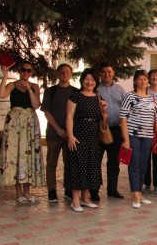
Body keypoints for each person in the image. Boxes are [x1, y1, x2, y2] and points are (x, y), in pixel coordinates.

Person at [0, 61, 45, 204]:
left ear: (32, 72)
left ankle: (27, 193)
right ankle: (18, 193)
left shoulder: (35, 86)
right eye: (23, 70)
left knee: (29, 155)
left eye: (29, 70)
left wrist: (29, 89)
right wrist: (5, 75)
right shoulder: (12, 85)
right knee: (15, 155)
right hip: (15, 124)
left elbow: (36, 105)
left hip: (30, 123)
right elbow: (1, 94)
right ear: (19, 71)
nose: (25, 73)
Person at [120, 70, 157, 209]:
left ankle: (139, 192)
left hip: (148, 136)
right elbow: (123, 118)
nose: (143, 81)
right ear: (135, 81)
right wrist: (126, 140)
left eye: (145, 79)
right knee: (134, 164)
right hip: (133, 135)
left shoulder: (153, 98)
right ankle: (136, 195)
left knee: (144, 165)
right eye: (140, 79)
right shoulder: (130, 96)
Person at [64, 68, 105, 212]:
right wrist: (70, 136)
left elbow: (103, 119)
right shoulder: (75, 96)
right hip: (78, 136)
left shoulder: (98, 98)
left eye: (92, 80)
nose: (90, 82)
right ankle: (75, 201)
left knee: (90, 167)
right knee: (77, 167)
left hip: (93, 138)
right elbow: (69, 117)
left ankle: (85, 198)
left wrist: (104, 110)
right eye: (87, 79)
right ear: (82, 80)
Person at [41, 63, 78, 203]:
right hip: (53, 134)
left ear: (71, 74)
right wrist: (58, 129)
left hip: (70, 135)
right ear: (58, 73)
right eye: (62, 71)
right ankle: (52, 191)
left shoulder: (76, 92)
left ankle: (68, 190)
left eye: (67, 71)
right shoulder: (50, 91)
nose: (65, 74)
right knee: (51, 164)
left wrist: (70, 132)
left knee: (70, 164)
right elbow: (46, 112)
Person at [92, 62, 126, 200]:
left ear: (113, 73)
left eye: (109, 72)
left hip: (116, 129)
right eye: (104, 72)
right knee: (96, 160)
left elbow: (125, 108)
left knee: (114, 162)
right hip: (99, 129)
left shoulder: (120, 89)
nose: (107, 74)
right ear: (100, 73)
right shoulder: (96, 89)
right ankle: (94, 190)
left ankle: (112, 189)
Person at [144, 69, 157, 194]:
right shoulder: (144, 91)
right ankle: (147, 183)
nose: (155, 77)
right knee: (146, 158)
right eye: (152, 75)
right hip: (146, 128)